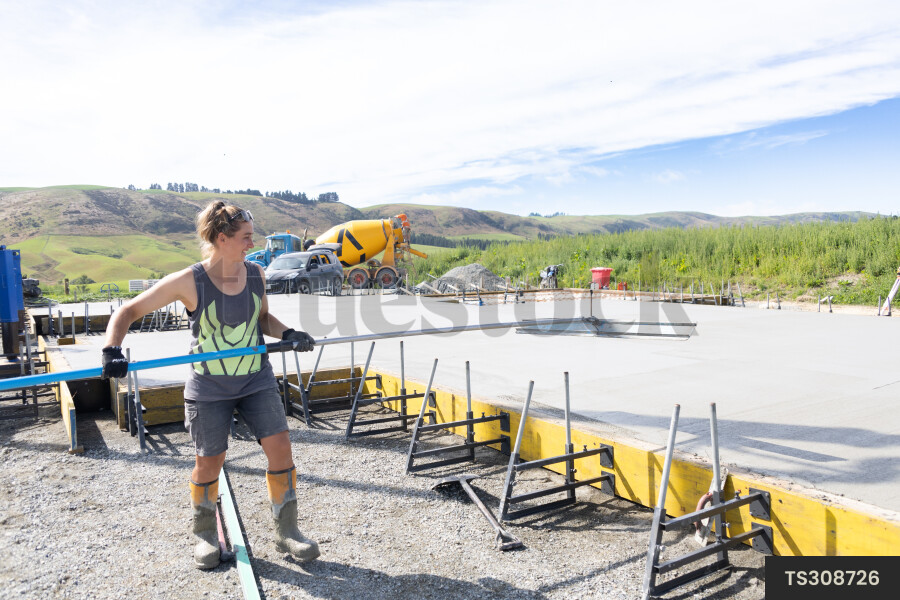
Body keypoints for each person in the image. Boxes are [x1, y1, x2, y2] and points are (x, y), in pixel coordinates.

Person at [100, 200, 319, 569]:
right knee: (209, 461)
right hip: (210, 386)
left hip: (256, 378)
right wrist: (111, 350)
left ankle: (288, 532)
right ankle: (204, 535)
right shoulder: (190, 280)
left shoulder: (255, 274)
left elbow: (262, 317)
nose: (253, 244)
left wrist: (290, 332)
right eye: (246, 237)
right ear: (222, 238)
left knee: (281, 448)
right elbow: (127, 311)